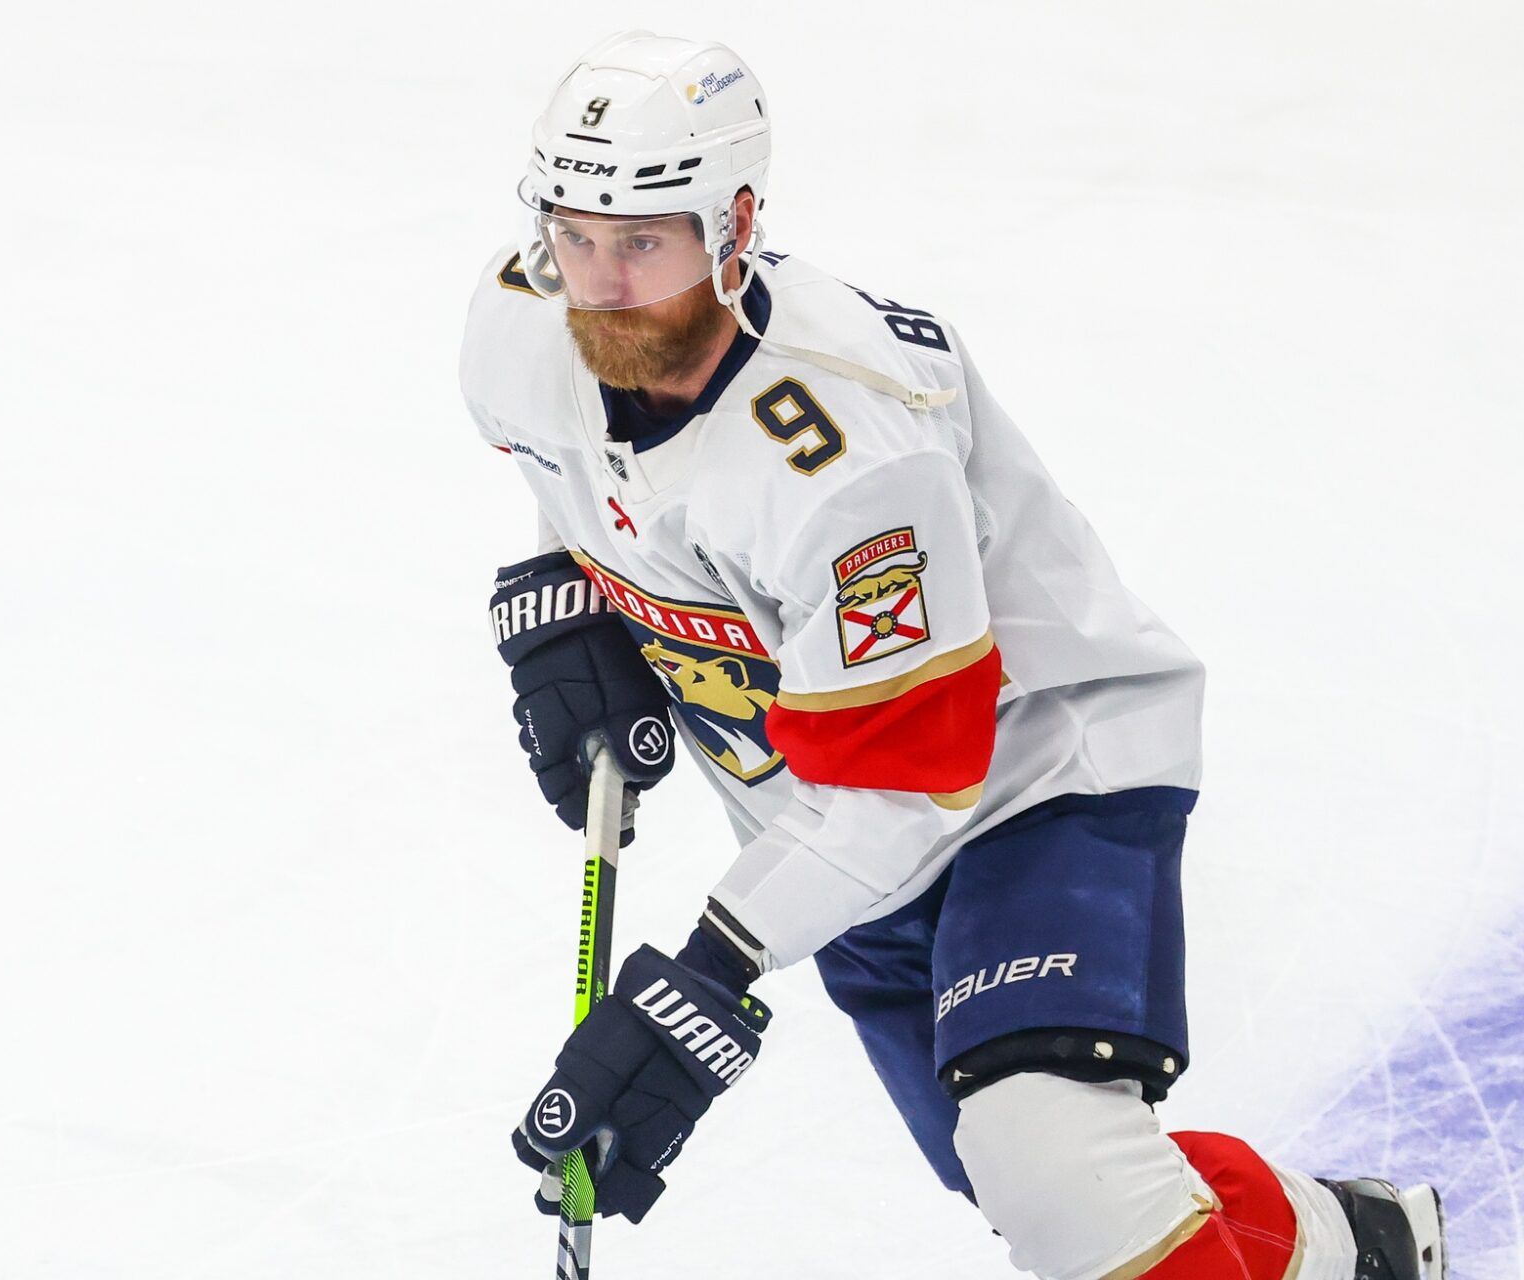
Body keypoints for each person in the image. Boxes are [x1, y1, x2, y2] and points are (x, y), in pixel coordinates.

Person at [460, 30, 1447, 1280]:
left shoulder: (850, 454)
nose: (599, 284)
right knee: (1024, 1178)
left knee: (1053, 1165)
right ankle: (1350, 1243)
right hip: (816, 811)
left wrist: (711, 969)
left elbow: (910, 776)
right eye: (574, 234)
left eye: (643, 241)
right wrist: (559, 589)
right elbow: (573, 470)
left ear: (736, 222)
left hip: (1031, 775)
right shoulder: (521, 320)